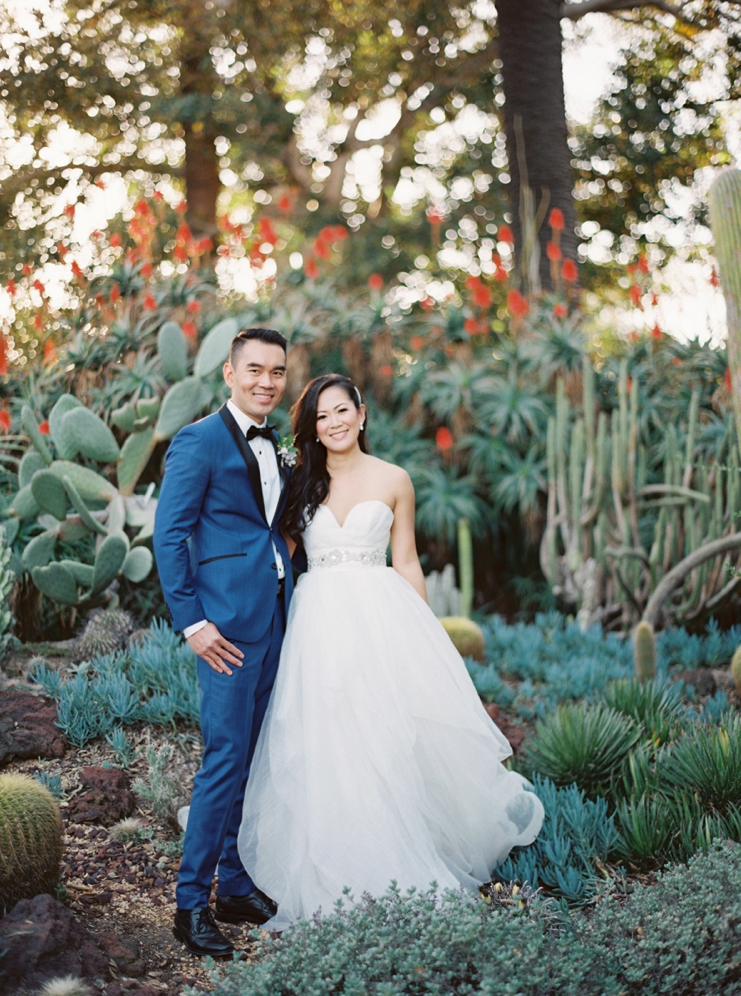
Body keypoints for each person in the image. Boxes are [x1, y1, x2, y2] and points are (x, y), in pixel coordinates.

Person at [237, 373, 545, 931]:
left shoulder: (395, 479)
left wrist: (422, 636)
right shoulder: (300, 480)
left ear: (362, 414)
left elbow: (405, 560)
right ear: (312, 427)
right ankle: (334, 857)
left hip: (381, 616)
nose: (333, 423)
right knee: (326, 736)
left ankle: (402, 850)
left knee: (385, 732)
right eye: (321, 416)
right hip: (320, 621)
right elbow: (277, 554)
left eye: (341, 411)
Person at [153, 327, 295, 958]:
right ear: (230, 375)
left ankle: (234, 884)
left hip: (272, 618)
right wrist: (194, 623)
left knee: (251, 756)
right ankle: (190, 904)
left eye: (278, 372)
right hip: (224, 632)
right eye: (256, 370)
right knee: (223, 761)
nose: (267, 381)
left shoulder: (277, 446)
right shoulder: (198, 441)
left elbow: (267, 527)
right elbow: (168, 537)